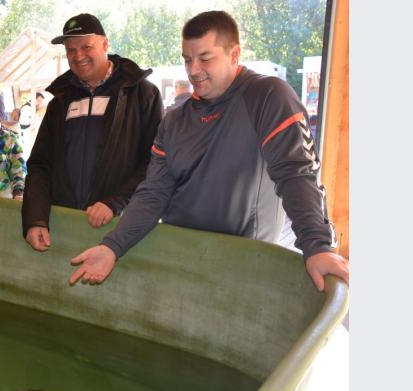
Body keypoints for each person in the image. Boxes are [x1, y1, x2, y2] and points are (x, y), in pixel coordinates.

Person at [69, 10, 349, 292]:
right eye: (187, 59)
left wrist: (316, 246)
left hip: (244, 265)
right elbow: (153, 193)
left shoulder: (268, 96)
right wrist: (112, 246)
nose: (193, 70)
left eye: (205, 58)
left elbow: (296, 173)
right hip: (181, 258)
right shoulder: (174, 120)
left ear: (234, 54)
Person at [22, 13, 163, 251]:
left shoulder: (142, 95)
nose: (78, 56)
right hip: (65, 226)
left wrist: (115, 202)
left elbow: (155, 162)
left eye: (86, 47)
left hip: (119, 227)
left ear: (105, 44)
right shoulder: (60, 101)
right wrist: (35, 219)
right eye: (70, 50)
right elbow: (40, 164)